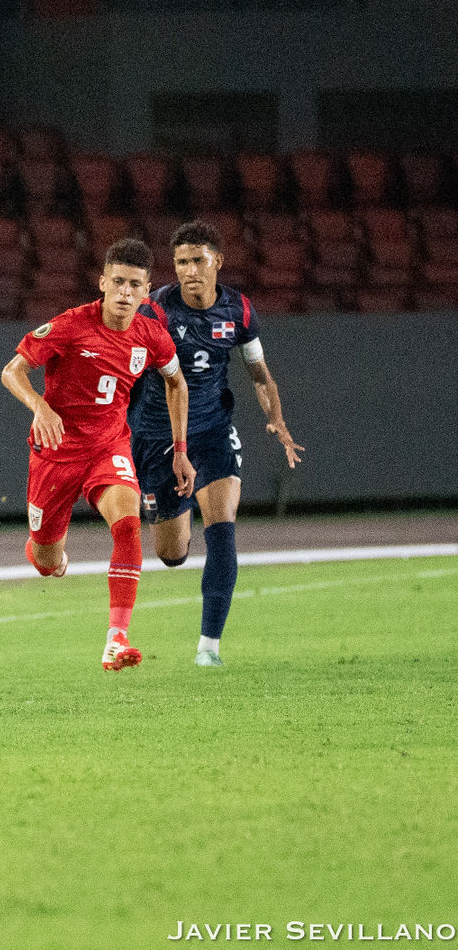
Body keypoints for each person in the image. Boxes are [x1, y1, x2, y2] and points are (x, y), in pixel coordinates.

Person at [1, 238, 195, 671]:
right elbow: (11, 371)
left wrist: (180, 450)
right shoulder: (71, 325)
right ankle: (49, 555)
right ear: (103, 282)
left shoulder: (151, 336)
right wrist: (40, 406)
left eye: (136, 285)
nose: (126, 293)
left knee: (128, 526)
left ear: (147, 292)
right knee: (47, 561)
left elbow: (177, 383)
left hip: (109, 448)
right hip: (55, 453)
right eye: (119, 282)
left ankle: (116, 638)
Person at [130, 220, 304, 667]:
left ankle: (209, 648)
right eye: (182, 262)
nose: (189, 270)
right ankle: (179, 507)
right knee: (171, 554)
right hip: (158, 437)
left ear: (217, 262)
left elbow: (259, 374)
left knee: (223, 525)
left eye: (198, 260)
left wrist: (276, 419)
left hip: (211, 430)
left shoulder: (240, 312)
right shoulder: (156, 311)